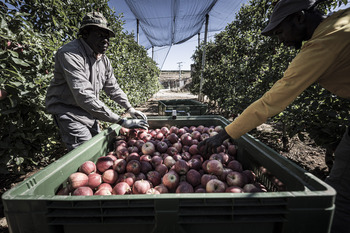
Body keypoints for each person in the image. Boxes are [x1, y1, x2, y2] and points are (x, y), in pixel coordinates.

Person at [198, 0, 350, 232]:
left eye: (280, 31)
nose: (280, 40)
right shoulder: (340, 21)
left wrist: (225, 134)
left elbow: (272, 101)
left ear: (299, 18)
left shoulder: (322, 45)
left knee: (342, 188)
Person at [46, 11, 149, 151]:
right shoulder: (70, 54)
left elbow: (112, 87)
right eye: (100, 35)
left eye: (107, 37)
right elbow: (83, 95)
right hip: (70, 112)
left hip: (90, 112)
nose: (106, 41)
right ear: (86, 34)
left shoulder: (103, 59)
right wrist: (121, 121)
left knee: (97, 149)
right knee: (85, 152)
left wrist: (129, 108)